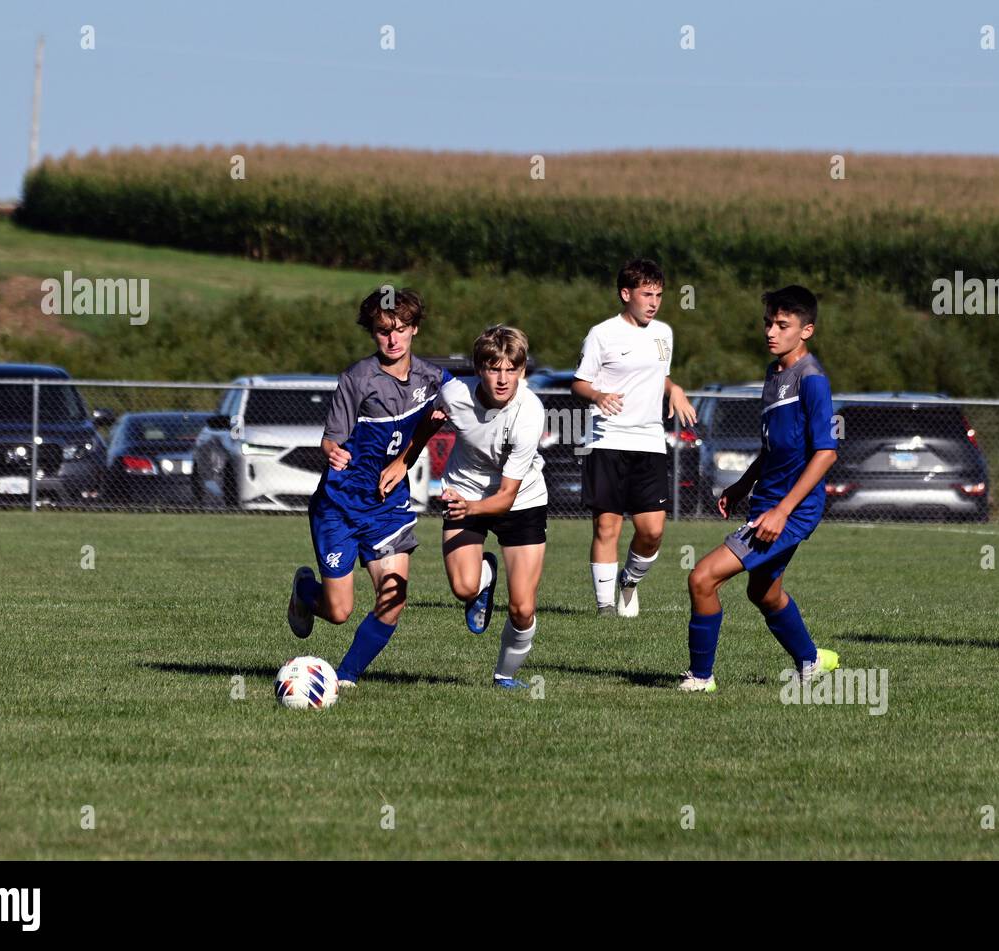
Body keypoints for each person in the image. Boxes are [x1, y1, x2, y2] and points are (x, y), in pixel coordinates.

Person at [286, 287, 451, 687]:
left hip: (387, 507)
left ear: (415, 329)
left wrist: (404, 461)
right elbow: (331, 438)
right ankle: (306, 590)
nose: (392, 339)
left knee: (393, 601)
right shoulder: (357, 380)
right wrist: (332, 452)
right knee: (339, 611)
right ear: (372, 332)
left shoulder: (433, 378)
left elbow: (449, 413)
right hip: (340, 507)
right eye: (382, 331)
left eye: (400, 329)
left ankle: (344, 678)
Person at [680, 285, 840, 692]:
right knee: (765, 594)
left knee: (702, 578)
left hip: (791, 510)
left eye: (783, 325)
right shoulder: (775, 374)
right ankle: (810, 661)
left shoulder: (812, 380)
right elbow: (774, 447)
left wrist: (782, 510)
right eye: (769, 322)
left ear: (806, 331)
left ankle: (701, 678)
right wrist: (741, 485)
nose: (772, 331)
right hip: (766, 502)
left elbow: (826, 454)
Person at [381, 326, 548, 688]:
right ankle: (483, 578)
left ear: (522, 371)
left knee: (522, 609)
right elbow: (429, 420)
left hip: (521, 501)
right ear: (478, 368)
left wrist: (470, 509)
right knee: (463, 588)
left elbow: (506, 497)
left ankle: (504, 675)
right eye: (493, 368)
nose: (502, 379)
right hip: (465, 490)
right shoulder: (455, 393)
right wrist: (402, 462)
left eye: (510, 369)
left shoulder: (530, 414)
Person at [571, 258, 697, 617]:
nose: (654, 302)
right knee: (607, 525)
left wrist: (676, 389)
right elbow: (579, 381)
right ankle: (606, 607)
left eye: (659, 294)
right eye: (646, 294)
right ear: (626, 294)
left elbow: (659, 377)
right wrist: (598, 396)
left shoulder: (664, 334)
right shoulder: (602, 334)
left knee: (652, 530)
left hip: (649, 441)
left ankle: (630, 581)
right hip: (607, 439)